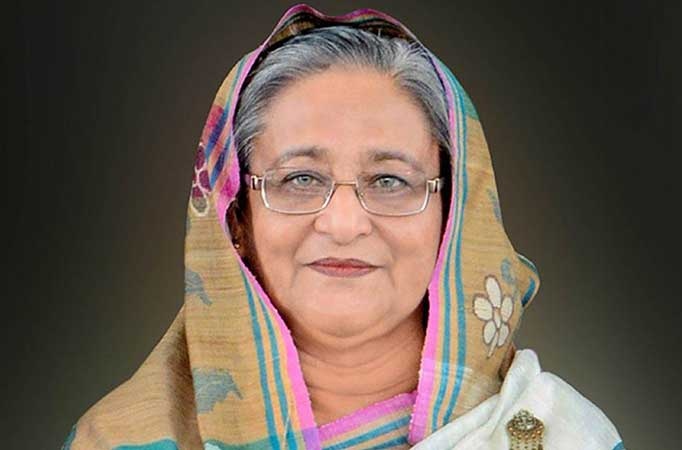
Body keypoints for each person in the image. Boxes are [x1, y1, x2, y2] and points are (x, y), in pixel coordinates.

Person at [62, 4, 625, 449]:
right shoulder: (118, 441)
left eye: (390, 180)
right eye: (300, 179)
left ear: (453, 215)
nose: (344, 223)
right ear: (237, 220)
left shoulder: (553, 436)